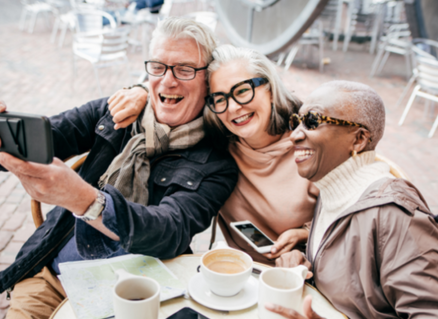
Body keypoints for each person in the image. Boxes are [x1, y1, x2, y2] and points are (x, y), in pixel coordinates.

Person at [0, 17, 238, 319]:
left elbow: (170, 229)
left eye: (185, 69)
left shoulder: (216, 161)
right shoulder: (117, 112)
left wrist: (86, 199)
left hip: (141, 293)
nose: (167, 80)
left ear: (207, 79)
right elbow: (50, 136)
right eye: (158, 66)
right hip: (55, 273)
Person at [254, 80, 438, 319]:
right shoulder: (334, 187)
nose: (295, 134)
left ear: (358, 139)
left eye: (312, 121)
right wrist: (305, 258)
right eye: (297, 121)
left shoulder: (396, 216)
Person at [111, 45, 319, 265]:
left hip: (307, 274)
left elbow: (344, 223)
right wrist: (141, 90)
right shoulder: (219, 144)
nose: (233, 107)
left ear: (269, 88)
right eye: (220, 99)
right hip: (242, 276)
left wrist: (305, 236)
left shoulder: (312, 142)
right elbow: (177, 90)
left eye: (242, 91)